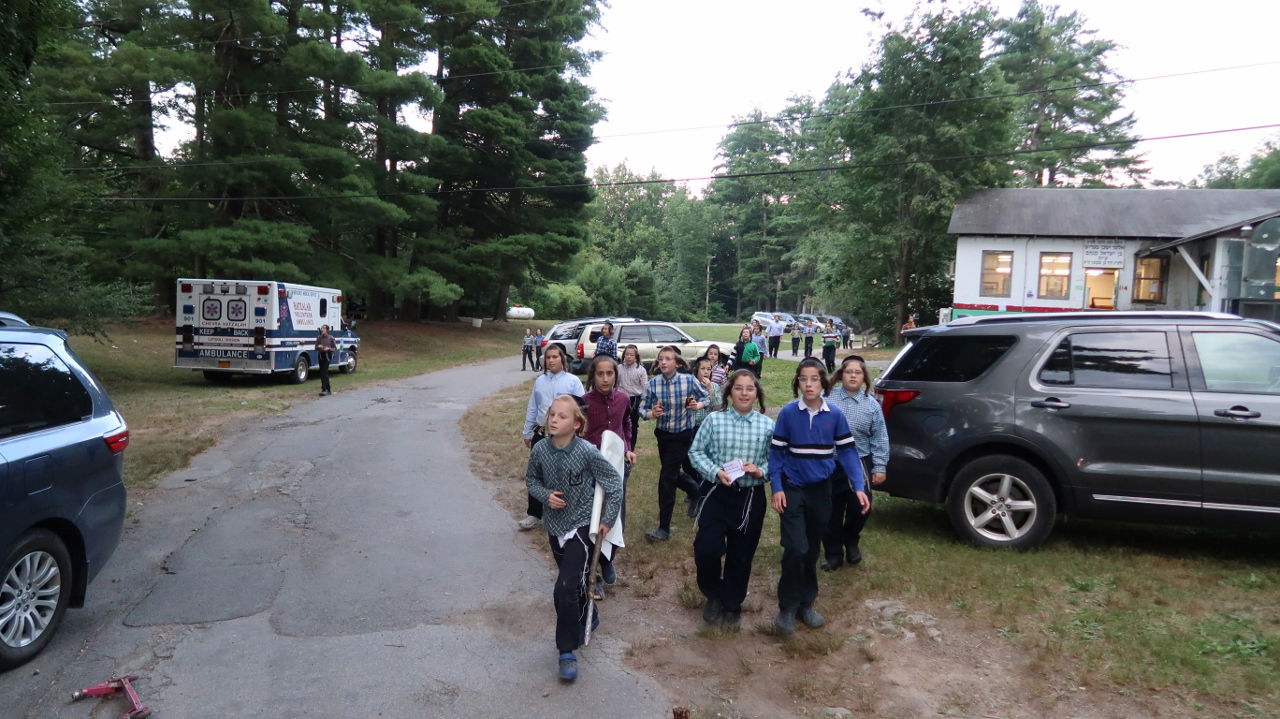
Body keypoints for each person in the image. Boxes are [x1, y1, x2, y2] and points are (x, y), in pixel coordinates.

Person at [524, 395, 623, 683]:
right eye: (551, 414)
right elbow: (532, 480)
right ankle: (587, 616)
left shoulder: (588, 453)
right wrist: (545, 497)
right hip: (555, 527)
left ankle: (566, 650)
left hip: (581, 527)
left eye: (562, 416)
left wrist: (607, 519)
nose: (554, 420)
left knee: (564, 587)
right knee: (574, 584)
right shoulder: (541, 449)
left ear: (577, 424)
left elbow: (614, 484)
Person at [767, 358, 868, 637]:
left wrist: (858, 485)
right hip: (793, 489)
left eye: (814, 379)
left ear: (823, 382)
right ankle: (786, 607)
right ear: (797, 383)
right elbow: (776, 454)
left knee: (811, 550)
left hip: (821, 491)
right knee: (795, 547)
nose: (809, 384)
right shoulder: (788, 414)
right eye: (803, 379)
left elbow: (847, 452)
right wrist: (777, 487)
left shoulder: (834, 414)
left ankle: (805, 604)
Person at [687, 370, 773, 629]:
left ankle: (732, 603)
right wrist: (716, 471)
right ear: (729, 392)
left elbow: (776, 460)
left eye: (749, 388)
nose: (744, 393)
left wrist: (761, 471)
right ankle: (713, 592)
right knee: (707, 547)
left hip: (750, 496)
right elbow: (696, 451)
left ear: (756, 393)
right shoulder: (714, 420)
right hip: (717, 491)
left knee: (741, 553)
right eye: (738, 388)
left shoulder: (768, 426)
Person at [822, 355, 889, 570]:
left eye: (857, 372)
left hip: (859, 461)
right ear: (841, 375)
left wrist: (879, 467)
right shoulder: (827, 399)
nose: (853, 376)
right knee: (830, 509)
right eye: (848, 372)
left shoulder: (871, 406)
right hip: (830, 462)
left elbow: (879, 437)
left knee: (860, 506)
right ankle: (833, 553)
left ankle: (851, 540)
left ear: (864, 378)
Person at [640, 346, 708, 541]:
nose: (663, 362)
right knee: (671, 472)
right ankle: (696, 491)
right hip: (663, 435)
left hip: (683, 434)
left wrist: (698, 405)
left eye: (668, 359)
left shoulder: (688, 380)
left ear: (677, 363)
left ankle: (664, 528)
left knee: (667, 478)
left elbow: (706, 395)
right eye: (660, 359)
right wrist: (651, 414)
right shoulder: (653, 384)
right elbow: (642, 409)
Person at [581, 354, 635, 599]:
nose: (605, 378)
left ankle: (607, 559)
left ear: (616, 375)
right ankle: (594, 573)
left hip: (616, 466)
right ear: (593, 376)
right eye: (600, 374)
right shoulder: (584, 402)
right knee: (592, 517)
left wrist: (628, 447)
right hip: (591, 467)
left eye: (610, 373)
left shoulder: (624, 399)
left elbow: (626, 424)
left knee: (615, 514)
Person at [520, 344, 585, 531]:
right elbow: (533, 407)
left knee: (562, 473)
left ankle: (563, 512)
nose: (551, 360)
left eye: (555, 356)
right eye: (548, 357)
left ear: (562, 358)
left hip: (563, 435)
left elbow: (581, 408)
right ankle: (534, 514)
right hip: (541, 432)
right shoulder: (540, 381)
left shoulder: (572, 382)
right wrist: (527, 432)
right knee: (537, 473)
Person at [617, 344, 647, 452]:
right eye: (627, 354)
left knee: (633, 424)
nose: (629, 357)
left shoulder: (641, 370)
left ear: (636, 357)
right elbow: (615, 385)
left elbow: (645, 387)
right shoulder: (618, 368)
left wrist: (643, 402)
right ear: (624, 355)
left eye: (631, 355)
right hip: (621, 399)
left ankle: (631, 448)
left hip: (635, 399)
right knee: (620, 423)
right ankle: (620, 447)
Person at [315, 324, 336, 397]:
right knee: (321, 372)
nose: (322, 329)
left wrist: (329, 349)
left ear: (327, 330)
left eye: (323, 328)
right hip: (321, 356)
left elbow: (334, 348)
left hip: (327, 356)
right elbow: (316, 348)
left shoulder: (331, 338)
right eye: (321, 328)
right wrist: (319, 346)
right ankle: (325, 389)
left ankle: (326, 389)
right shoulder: (319, 338)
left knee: (325, 372)